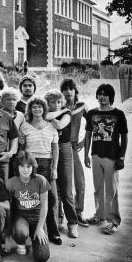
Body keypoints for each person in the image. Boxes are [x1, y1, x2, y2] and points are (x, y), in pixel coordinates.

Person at [84, 83, 128, 234]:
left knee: (111, 190)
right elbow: (88, 135)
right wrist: (86, 155)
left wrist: (122, 156)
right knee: (97, 188)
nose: (102, 97)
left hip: (112, 157)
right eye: (100, 94)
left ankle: (113, 221)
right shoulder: (91, 114)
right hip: (96, 155)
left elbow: (124, 137)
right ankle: (99, 215)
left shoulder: (118, 114)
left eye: (105, 94)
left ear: (111, 97)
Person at [19, 96, 61, 245]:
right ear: (30, 109)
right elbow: (22, 150)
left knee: (52, 199)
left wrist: (54, 168)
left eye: (40, 107)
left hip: (47, 164)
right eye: (34, 107)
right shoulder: (25, 127)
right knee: (33, 199)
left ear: (44, 109)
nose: (37, 109)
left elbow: (55, 149)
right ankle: (33, 231)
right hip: (31, 165)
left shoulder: (51, 126)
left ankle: (54, 232)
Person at [44, 89, 79, 238]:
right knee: (53, 190)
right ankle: (57, 221)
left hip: (63, 149)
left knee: (66, 189)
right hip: (49, 148)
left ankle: (72, 223)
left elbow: (59, 125)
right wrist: (47, 115)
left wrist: (48, 116)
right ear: (48, 103)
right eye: (53, 102)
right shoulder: (51, 113)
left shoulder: (67, 113)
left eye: (59, 102)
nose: (57, 104)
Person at [6, 151, 51, 262]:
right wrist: (7, 234)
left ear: (33, 167)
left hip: (37, 216)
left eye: (29, 166)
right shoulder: (11, 183)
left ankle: (34, 233)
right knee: (20, 232)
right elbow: (8, 208)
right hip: (21, 215)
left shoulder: (40, 180)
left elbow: (45, 205)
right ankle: (21, 241)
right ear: (17, 166)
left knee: (42, 257)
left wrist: (40, 227)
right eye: (22, 166)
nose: (25, 170)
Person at [60, 78, 90, 227]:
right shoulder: (59, 107)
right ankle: (60, 215)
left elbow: (93, 123)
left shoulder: (82, 106)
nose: (68, 92)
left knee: (80, 181)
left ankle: (79, 211)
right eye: (65, 89)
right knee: (63, 182)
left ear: (75, 90)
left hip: (73, 147)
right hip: (60, 147)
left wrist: (84, 141)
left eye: (70, 89)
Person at [0, 87, 25, 178]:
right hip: (2, 151)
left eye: (14, 100)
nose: (11, 102)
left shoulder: (20, 115)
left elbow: (22, 133)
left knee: (14, 175)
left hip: (15, 151)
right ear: (2, 101)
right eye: (8, 99)